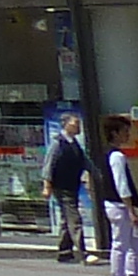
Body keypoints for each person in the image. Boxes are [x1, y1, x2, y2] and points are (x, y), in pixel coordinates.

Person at [100, 122, 138, 276]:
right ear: (114, 133)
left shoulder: (108, 155)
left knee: (134, 244)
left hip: (114, 204)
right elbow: (122, 184)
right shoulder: (116, 156)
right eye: (124, 131)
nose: (127, 135)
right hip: (119, 205)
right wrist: (131, 209)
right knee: (122, 244)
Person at [44, 109, 92, 264]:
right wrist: (47, 185)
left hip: (73, 185)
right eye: (75, 123)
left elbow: (84, 161)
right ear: (66, 125)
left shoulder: (74, 143)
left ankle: (64, 252)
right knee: (74, 218)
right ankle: (83, 252)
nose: (78, 126)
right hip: (62, 186)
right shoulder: (58, 142)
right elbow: (48, 165)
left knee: (66, 219)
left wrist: (96, 175)